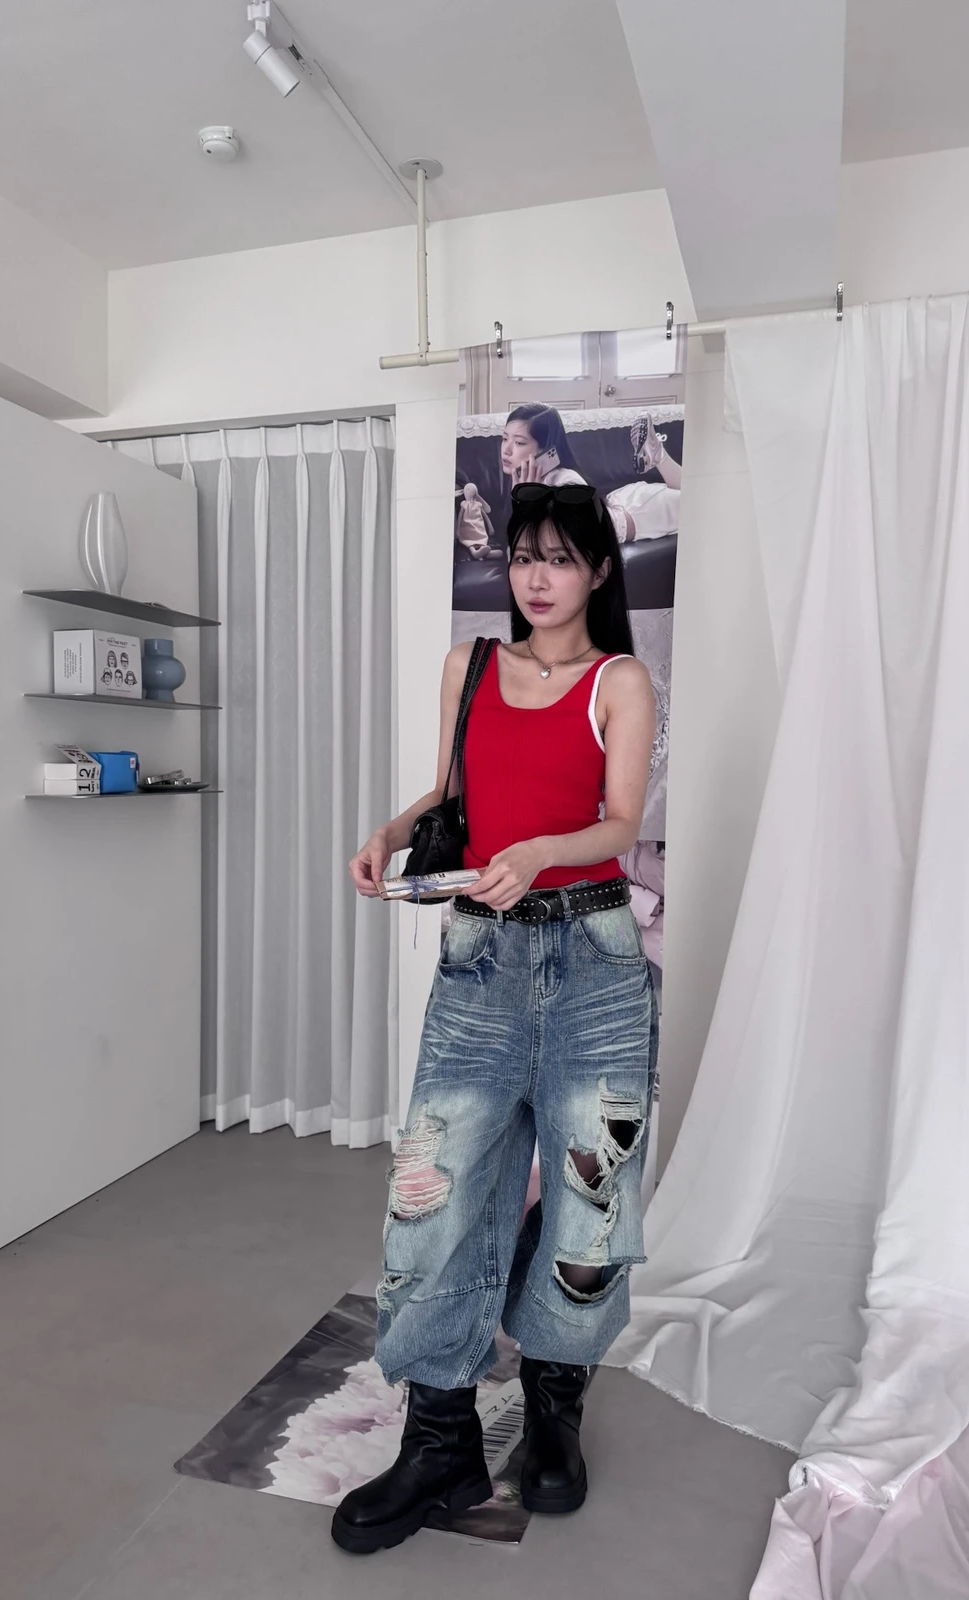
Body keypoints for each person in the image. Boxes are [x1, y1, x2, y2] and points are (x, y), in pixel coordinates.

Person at [336, 480, 659, 1555]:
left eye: (561, 558)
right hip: (481, 956)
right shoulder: (468, 665)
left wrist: (541, 852)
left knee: (589, 1196)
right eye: (524, 556)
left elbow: (620, 822)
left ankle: (555, 1408)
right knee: (434, 1191)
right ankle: (440, 1440)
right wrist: (388, 833)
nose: (537, 576)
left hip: (594, 959)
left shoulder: (619, 680)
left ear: (598, 572)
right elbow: (449, 792)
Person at [498, 403, 682, 543]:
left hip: (641, 512)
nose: (506, 450)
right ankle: (656, 454)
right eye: (504, 439)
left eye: (519, 442)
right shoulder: (520, 482)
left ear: (546, 449)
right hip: (620, 502)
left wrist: (527, 503)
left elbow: (561, 542)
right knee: (693, 498)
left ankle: (659, 455)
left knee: (696, 502)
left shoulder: (567, 482)